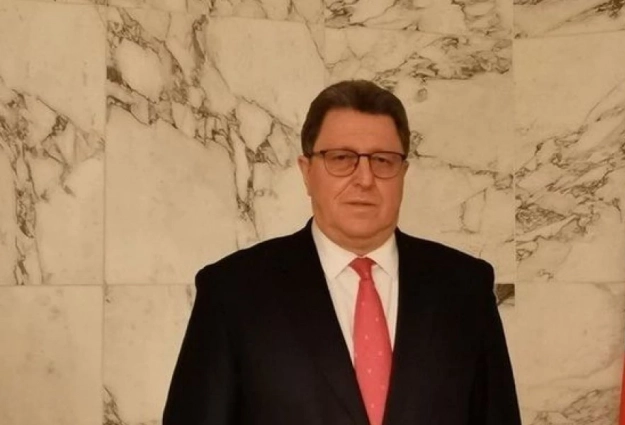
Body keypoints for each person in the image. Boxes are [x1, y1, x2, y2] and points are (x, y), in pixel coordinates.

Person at [162, 80, 521, 425]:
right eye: (341, 158)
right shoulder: (233, 292)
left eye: (383, 161)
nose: (364, 178)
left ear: (403, 173)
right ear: (307, 172)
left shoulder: (464, 288)